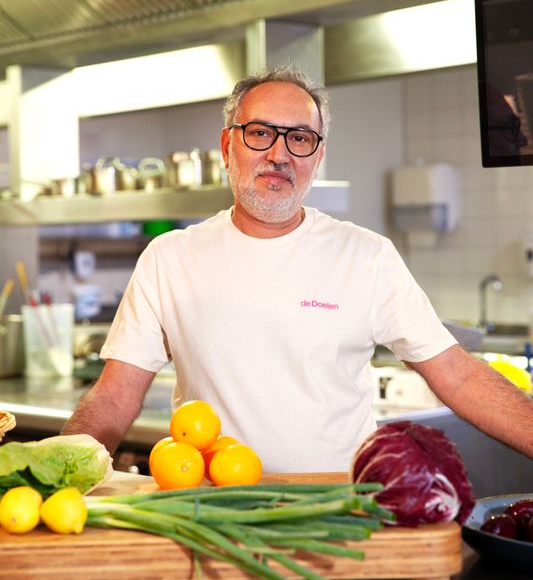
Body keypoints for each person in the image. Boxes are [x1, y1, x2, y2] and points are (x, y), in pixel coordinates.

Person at [62, 66, 533, 472]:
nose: (280, 154)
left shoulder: (366, 256)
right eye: (260, 133)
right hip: (213, 511)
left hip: (338, 510)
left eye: (300, 138)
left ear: (318, 157)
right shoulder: (170, 258)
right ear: (227, 146)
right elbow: (116, 395)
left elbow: (457, 374)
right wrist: (58, 473)